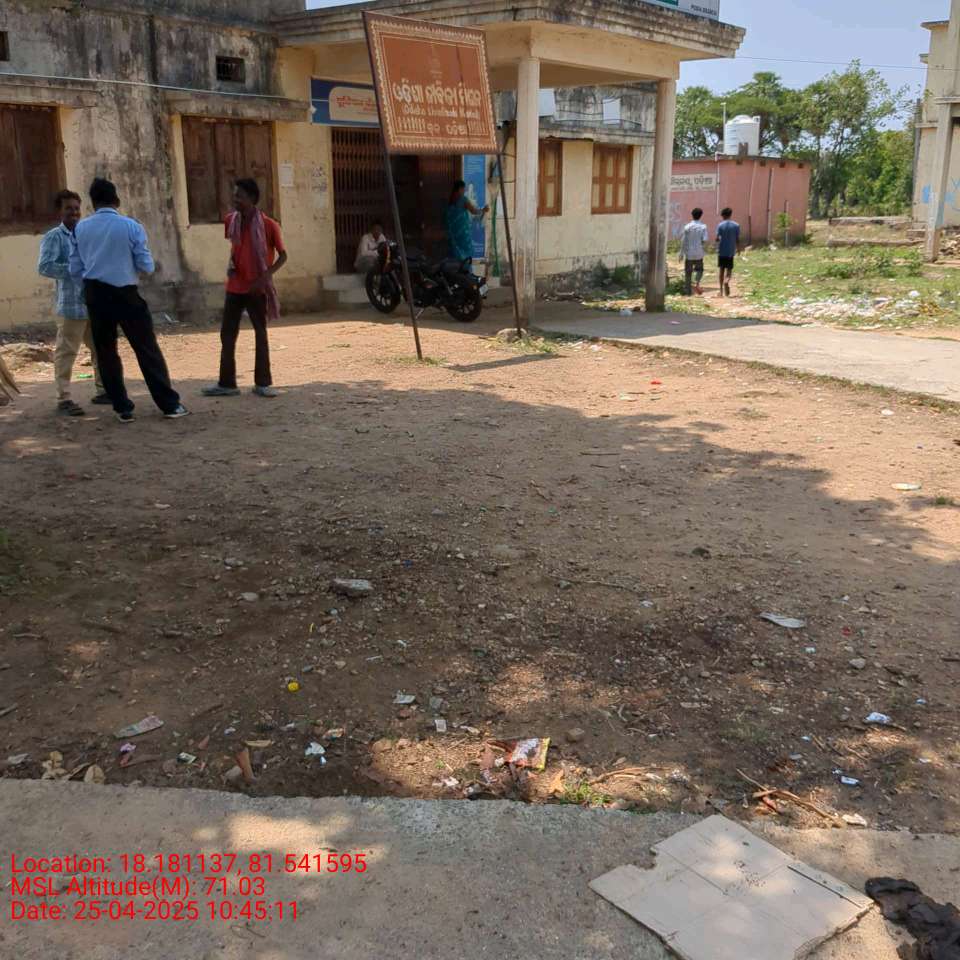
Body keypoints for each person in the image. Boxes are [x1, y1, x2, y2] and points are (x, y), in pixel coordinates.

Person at [69, 178, 188, 423]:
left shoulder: (80, 229)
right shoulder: (131, 226)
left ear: (93, 202)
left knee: (106, 352)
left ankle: (122, 407)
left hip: (96, 294)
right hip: (126, 293)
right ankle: (169, 404)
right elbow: (146, 265)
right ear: (116, 200)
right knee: (146, 349)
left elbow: (74, 268)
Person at [203, 178, 287, 400]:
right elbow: (235, 249)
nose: (235, 199)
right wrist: (233, 266)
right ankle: (227, 383)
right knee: (227, 334)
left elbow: (283, 256)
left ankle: (263, 383)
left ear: (252, 198)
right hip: (235, 286)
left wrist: (265, 277)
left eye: (239, 196)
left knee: (261, 333)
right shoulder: (231, 221)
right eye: (235, 195)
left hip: (256, 289)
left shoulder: (269, 225)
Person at [37, 190, 108, 415]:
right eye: (68, 208)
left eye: (76, 208)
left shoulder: (86, 233)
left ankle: (103, 390)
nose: (74, 213)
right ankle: (64, 399)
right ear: (59, 211)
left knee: (101, 349)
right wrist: (73, 269)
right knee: (66, 353)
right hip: (70, 306)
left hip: (92, 303)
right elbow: (45, 266)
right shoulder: (54, 237)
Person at [444, 179, 487, 263]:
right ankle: (465, 268)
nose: (464, 191)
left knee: (455, 253)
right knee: (466, 254)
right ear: (460, 189)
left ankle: (457, 268)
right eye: (464, 189)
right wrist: (483, 210)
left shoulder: (450, 199)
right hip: (463, 233)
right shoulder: (463, 199)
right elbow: (474, 211)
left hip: (453, 233)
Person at [679, 207, 709, 296]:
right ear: (701, 216)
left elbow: (684, 241)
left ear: (692, 215)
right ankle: (696, 282)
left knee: (688, 273)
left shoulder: (687, 227)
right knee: (700, 270)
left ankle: (688, 292)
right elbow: (704, 240)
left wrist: (681, 253)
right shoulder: (703, 227)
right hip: (699, 253)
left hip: (689, 254)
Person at [716, 207, 741, 297]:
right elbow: (737, 239)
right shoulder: (736, 225)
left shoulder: (720, 225)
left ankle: (721, 290)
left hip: (722, 251)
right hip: (730, 251)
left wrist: (718, 240)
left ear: (723, 215)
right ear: (730, 214)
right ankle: (726, 281)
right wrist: (738, 248)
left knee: (721, 270)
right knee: (729, 270)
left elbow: (717, 238)